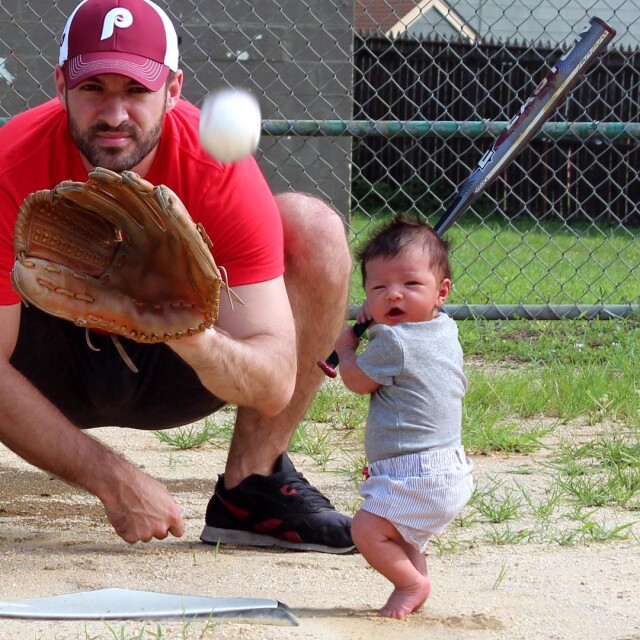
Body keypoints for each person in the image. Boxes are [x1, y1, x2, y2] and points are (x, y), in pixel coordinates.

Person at [0, 0, 354, 553]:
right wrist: (109, 477)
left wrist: (190, 331)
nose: (114, 114)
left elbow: (274, 381)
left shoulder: (215, 169)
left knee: (314, 230)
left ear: (173, 89)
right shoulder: (13, 163)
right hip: (50, 369)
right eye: (94, 88)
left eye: (136, 91)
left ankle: (253, 489)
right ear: (61, 84)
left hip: (178, 368)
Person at [333, 215, 474, 617]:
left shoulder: (393, 341)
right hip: (447, 467)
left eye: (411, 285)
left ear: (440, 291)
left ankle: (410, 583)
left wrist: (346, 352)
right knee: (405, 535)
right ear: (366, 296)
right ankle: (417, 583)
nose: (394, 295)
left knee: (367, 530)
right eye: (380, 288)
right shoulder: (444, 329)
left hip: (415, 471)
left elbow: (359, 382)